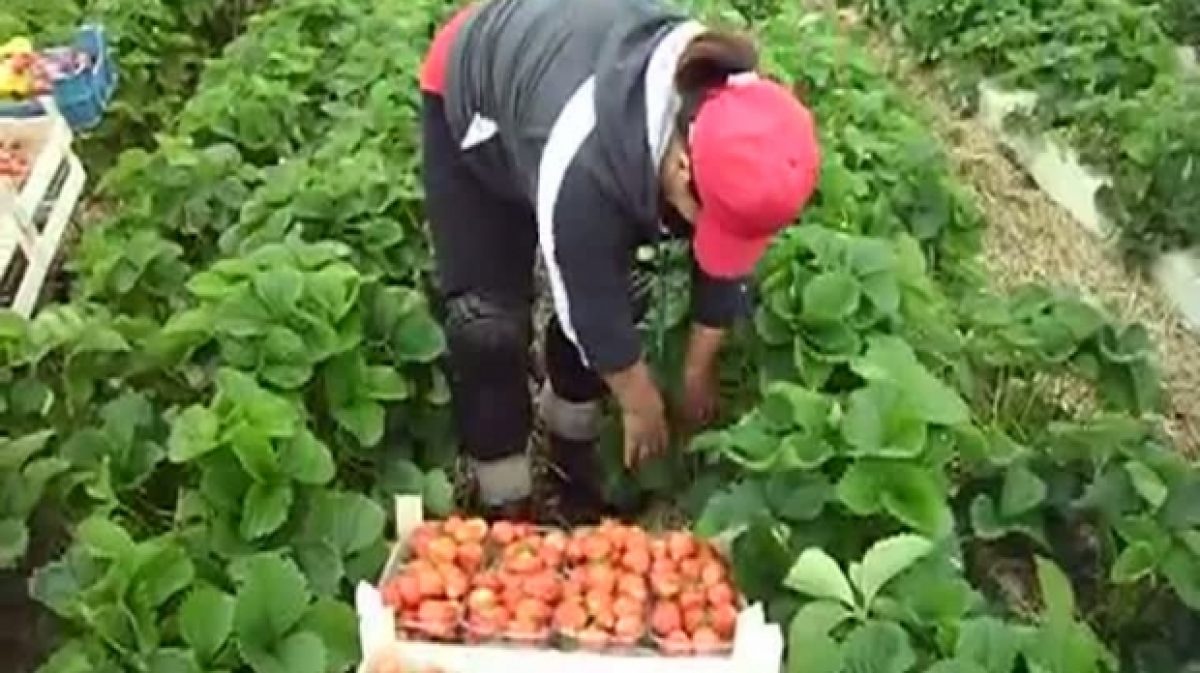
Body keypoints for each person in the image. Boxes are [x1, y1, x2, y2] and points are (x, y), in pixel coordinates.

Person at [418, 0, 820, 520]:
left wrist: (699, 368)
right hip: (476, 96)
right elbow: (588, 300)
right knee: (487, 327)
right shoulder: (583, 167)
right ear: (680, 164)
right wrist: (640, 401)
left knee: (624, 290)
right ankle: (506, 497)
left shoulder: (741, 119)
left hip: (563, 77)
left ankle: (570, 453)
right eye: (708, 215)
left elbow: (729, 240)